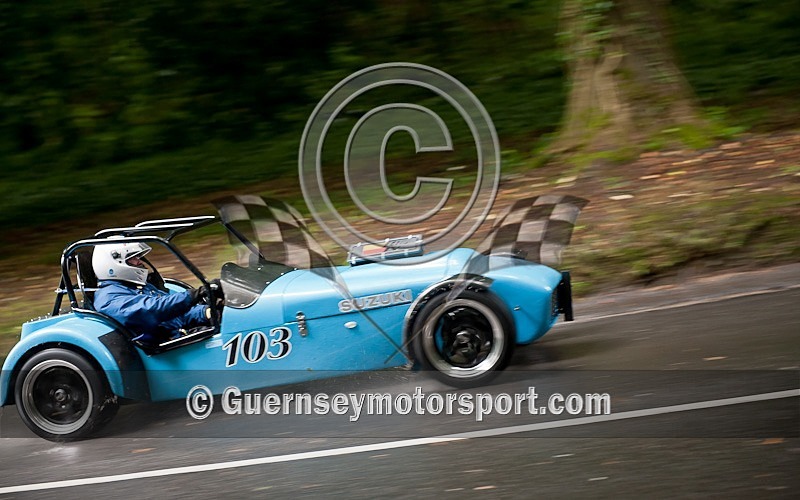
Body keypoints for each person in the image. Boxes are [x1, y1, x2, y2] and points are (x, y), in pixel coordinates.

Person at [92, 241, 215, 346]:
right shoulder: (109, 299)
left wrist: (206, 312)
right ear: (112, 265)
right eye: (132, 258)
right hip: (166, 350)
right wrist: (194, 295)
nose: (139, 261)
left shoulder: (135, 286)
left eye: (138, 257)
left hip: (179, 337)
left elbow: (174, 314)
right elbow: (155, 309)